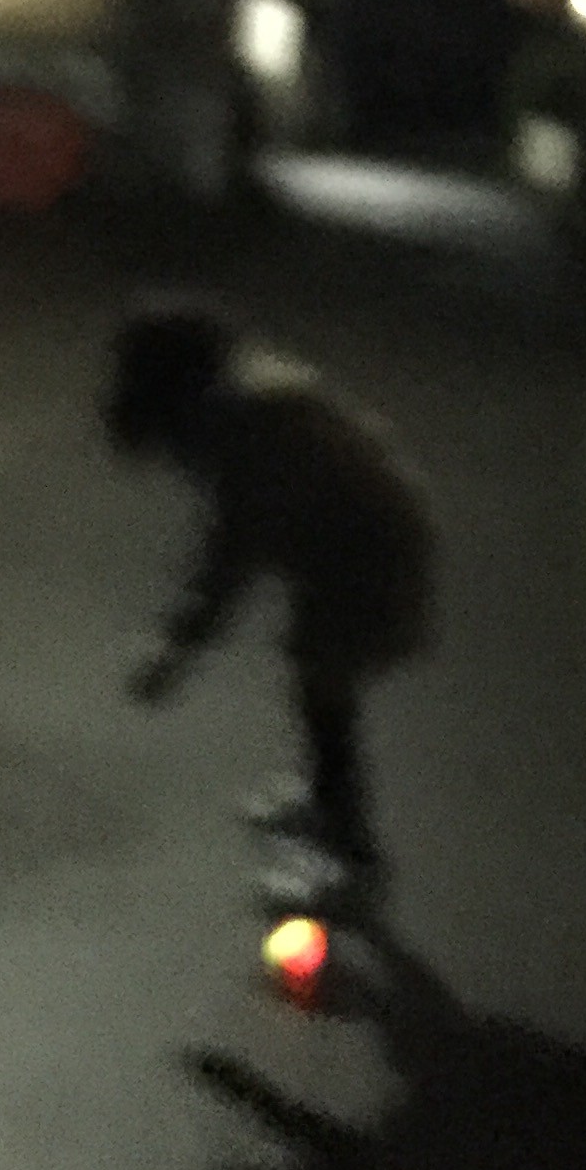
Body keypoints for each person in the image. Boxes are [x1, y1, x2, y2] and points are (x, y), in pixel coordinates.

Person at [104, 295, 435, 906]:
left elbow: (232, 551)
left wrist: (177, 648)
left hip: (369, 557)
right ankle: (324, 805)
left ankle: (350, 857)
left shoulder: (240, 425)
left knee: (324, 692)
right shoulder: (238, 402)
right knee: (315, 680)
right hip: (353, 546)